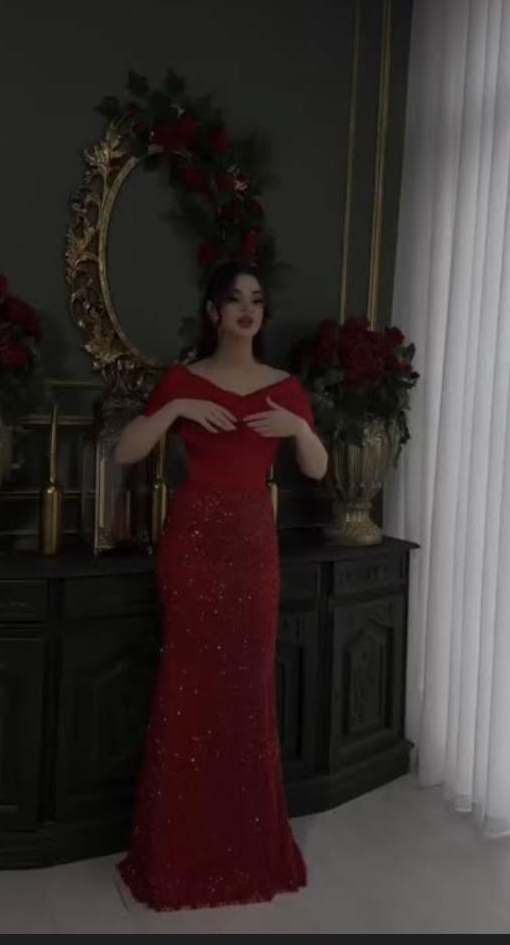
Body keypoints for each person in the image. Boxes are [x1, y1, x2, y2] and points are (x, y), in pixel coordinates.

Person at [114, 260, 328, 911]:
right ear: (213, 311)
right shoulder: (184, 381)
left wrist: (299, 429)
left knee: (246, 688)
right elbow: (125, 451)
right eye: (233, 298)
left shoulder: (284, 388)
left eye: (256, 299)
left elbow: (317, 469)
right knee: (188, 688)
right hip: (194, 544)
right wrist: (176, 406)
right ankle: (177, 854)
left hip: (251, 545)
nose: (246, 309)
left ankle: (244, 847)